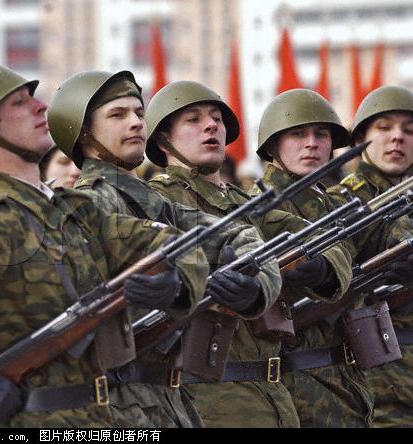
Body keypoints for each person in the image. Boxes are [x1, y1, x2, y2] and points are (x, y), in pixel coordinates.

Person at [0, 63, 210, 427]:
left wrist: (177, 283)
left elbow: (175, 243)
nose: (40, 107)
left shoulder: (72, 212)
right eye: (19, 103)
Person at [48, 70, 282, 427]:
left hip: (165, 400)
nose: (135, 123)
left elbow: (240, 237)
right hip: (116, 407)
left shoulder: (155, 204)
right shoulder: (90, 205)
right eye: (117, 115)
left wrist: (255, 290)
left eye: (139, 113)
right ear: (83, 134)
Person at [145, 82, 352, 428]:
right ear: (163, 138)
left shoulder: (246, 204)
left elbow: (325, 240)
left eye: (216, 119)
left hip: (271, 397)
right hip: (203, 401)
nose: (211, 126)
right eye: (193, 120)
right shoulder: (156, 202)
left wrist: (323, 268)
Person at [249, 88, 372, 427]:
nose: (312, 144)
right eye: (298, 134)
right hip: (296, 380)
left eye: (321, 134)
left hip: (346, 376)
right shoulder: (257, 206)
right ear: (272, 145)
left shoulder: (334, 203)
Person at [328, 85, 413, 428]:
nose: (397, 137)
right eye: (384, 128)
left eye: (409, 130)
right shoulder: (335, 203)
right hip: (375, 382)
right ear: (361, 138)